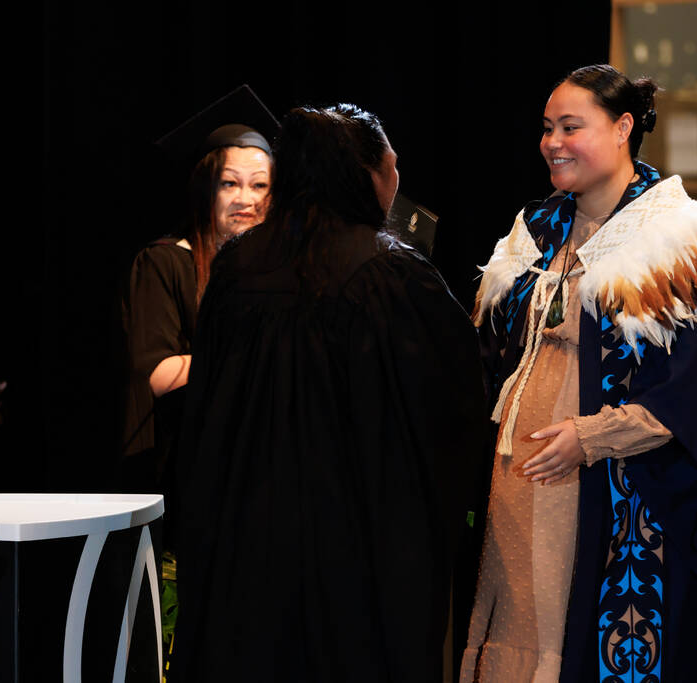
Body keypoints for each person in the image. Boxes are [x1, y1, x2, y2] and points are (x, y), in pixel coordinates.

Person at [461, 64, 697, 682]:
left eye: (571, 127)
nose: (552, 142)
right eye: (547, 128)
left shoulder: (674, 241)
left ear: (623, 127)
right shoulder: (537, 230)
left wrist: (590, 438)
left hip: (623, 491)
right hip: (522, 488)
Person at [172, 104, 487, 681]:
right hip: (352, 546)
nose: (397, 185)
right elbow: (454, 403)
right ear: (364, 175)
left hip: (242, 536)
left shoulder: (238, 263)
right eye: (391, 169)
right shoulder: (389, 272)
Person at [121, 86, 277, 506]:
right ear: (206, 189)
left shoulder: (279, 275)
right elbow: (156, 373)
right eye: (230, 183)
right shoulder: (165, 263)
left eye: (259, 186)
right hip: (186, 470)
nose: (246, 199)